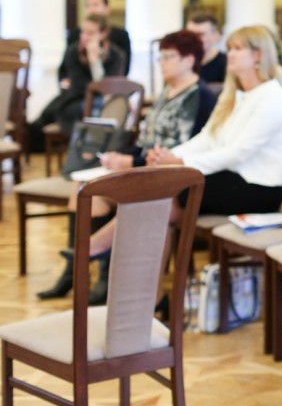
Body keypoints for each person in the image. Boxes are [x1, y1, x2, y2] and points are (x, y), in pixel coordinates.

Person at [78, 25, 282, 259]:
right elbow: (207, 137)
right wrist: (169, 156)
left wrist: (181, 162)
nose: (230, 54)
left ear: (258, 55)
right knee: (162, 198)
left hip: (259, 187)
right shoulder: (235, 95)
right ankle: (110, 255)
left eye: (238, 49)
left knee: (167, 191)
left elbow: (238, 153)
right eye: (230, 48)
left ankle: (98, 248)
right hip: (230, 177)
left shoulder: (272, 97)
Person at [39, 30, 218, 303]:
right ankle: (75, 272)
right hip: (146, 167)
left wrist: (131, 162)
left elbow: (175, 153)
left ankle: (101, 275)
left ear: (189, 60)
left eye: (168, 57)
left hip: (168, 177)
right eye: (161, 57)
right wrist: (120, 156)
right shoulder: (167, 92)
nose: (162, 63)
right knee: (86, 187)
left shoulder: (200, 97)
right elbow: (145, 143)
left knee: (105, 189)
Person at [28, 13, 128, 149]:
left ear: (103, 34)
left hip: (103, 103)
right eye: (83, 32)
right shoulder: (73, 52)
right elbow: (80, 86)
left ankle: (100, 149)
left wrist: (94, 62)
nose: (85, 37)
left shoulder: (116, 56)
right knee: (53, 113)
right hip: (75, 100)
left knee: (107, 107)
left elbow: (107, 89)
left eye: (90, 33)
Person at [64, 0, 131, 75]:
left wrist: (94, 60)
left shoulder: (119, 40)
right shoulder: (74, 39)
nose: (92, 9)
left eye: (95, 5)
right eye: (88, 5)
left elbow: (123, 70)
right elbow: (65, 68)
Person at [186, 13, 227, 84]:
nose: (194, 39)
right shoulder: (181, 64)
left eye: (200, 34)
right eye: (190, 35)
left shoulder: (227, 64)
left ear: (216, 35)